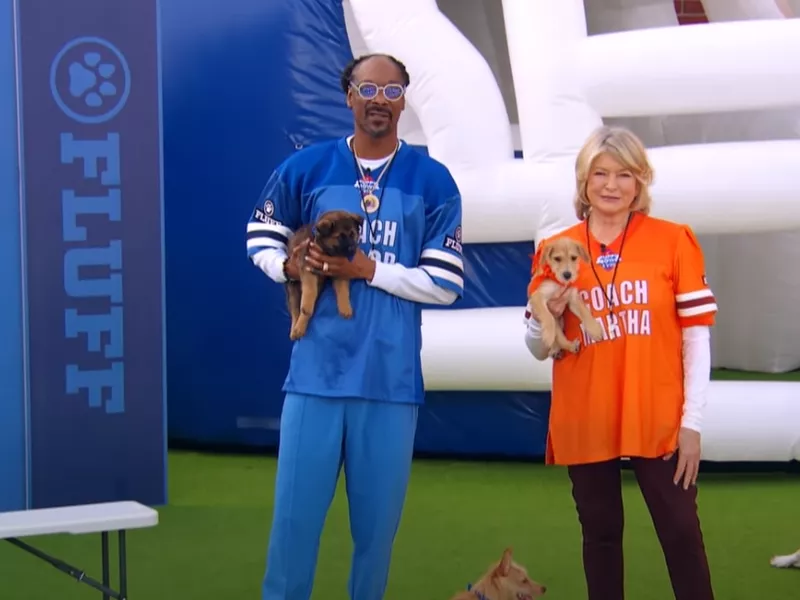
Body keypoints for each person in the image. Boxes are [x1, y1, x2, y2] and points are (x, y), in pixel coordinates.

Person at [245, 53, 464, 600]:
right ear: (348, 95)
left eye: (392, 92)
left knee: (375, 538)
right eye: (369, 89)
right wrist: (286, 266)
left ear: (404, 101)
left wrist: (368, 269)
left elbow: (445, 282)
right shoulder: (309, 167)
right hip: (315, 376)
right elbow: (260, 232)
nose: (379, 102)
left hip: (389, 382)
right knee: (293, 528)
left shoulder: (432, 180)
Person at [523, 125, 717, 600]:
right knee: (601, 535)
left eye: (624, 175)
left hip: (657, 413)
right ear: (583, 181)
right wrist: (538, 319)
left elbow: (696, 338)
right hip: (586, 411)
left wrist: (691, 424)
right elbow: (537, 346)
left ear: (642, 181)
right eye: (600, 174)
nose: (611, 185)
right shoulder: (556, 247)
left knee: (679, 532)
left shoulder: (673, 241)